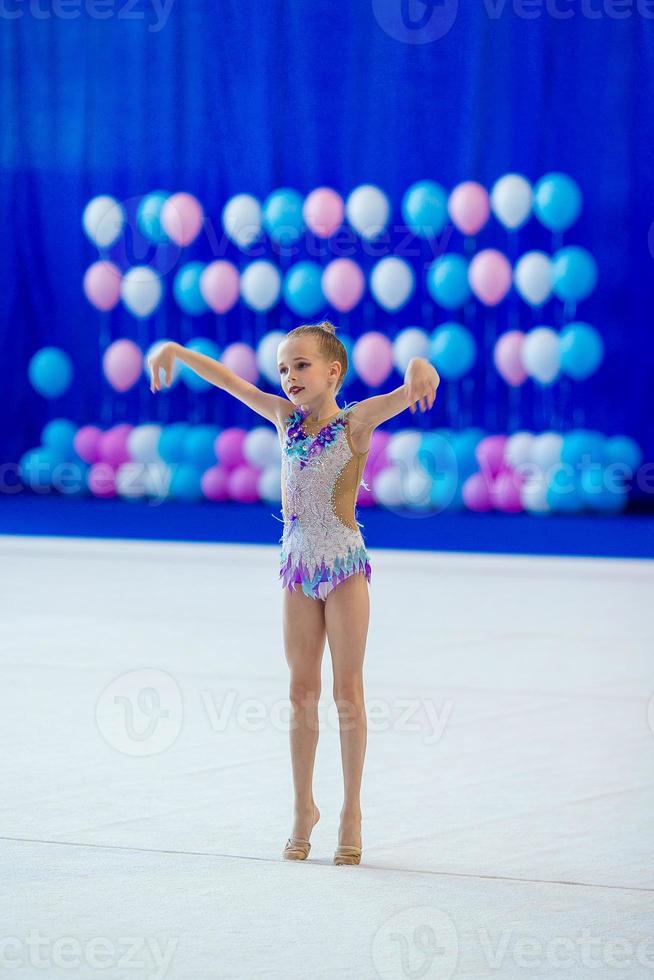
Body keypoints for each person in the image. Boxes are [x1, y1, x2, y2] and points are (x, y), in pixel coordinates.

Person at [148, 319, 440, 866]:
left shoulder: (355, 423)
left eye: (301, 366)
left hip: (345, 568)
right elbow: (233, 384)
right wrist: (177, 350)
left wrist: (419, 368)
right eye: (283, 368)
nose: (289, 377)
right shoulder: (285, 420)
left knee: (346, 690)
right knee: (300, 692)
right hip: (297, 569)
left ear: (334, 372)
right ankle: (303, 806)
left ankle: (351, 810)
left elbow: (406, 390)